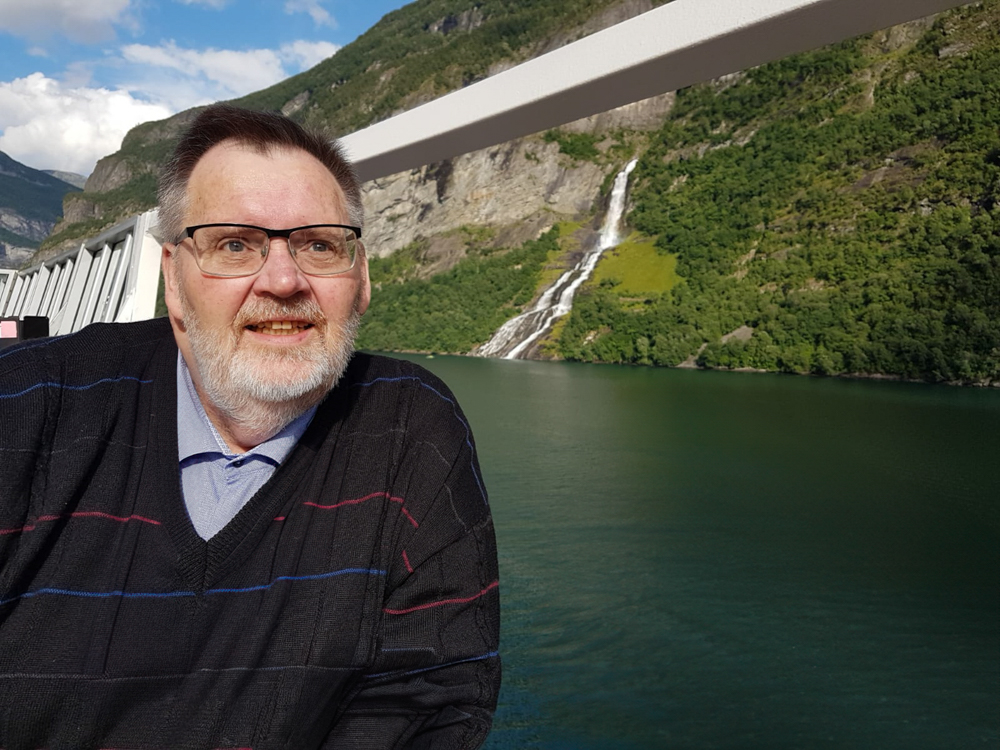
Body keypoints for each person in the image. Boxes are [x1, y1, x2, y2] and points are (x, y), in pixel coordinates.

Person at [0, 104, 500, 748]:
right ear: (173, 279)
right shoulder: (29, 404)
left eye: (319, 245)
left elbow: (428, 699)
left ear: (362, 278)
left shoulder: (410, 428)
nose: (284, 281)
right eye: (234, 244)